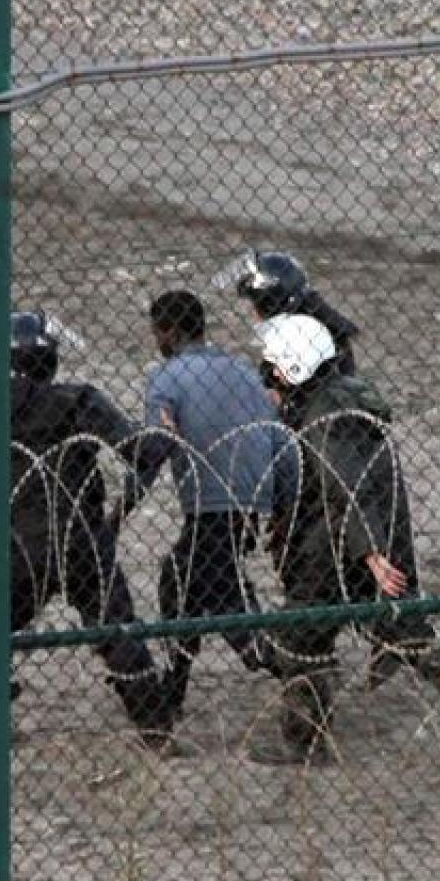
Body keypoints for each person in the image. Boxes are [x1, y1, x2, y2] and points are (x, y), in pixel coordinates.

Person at [255, 314, 440, 773]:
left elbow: (346, 483)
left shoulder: (326, 417)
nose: (266, 373)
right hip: (358, 541)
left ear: (292, 369)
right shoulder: (342, 399)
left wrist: (371, 554)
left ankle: (306, 744)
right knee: (407, 634)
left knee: (300, 638)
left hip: (336, 548)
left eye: (272, 366)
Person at [118, 290, 292, 724]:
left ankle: (287, 667)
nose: (156, 340)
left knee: (200, 585)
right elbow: (279, 437)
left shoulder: (167, 378)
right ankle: (174, 689)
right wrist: (283, 503)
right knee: (196, 582)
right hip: (254, 497)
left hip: (211, 502)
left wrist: (119, 512)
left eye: (157, 332)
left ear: (169, 331)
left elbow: (154, 449)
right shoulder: (242, 371)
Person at [7, 310, 177, 749]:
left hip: (17, 541)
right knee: (116, 628)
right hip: (80, 535)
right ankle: (155, 727)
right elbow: (138, 451)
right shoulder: (76, 399)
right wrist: (165, 433)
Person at [220, 249, 362, 375]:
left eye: (253, 303)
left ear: (269, 304)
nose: (251, 311)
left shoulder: (298, 340)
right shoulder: (316, 325)